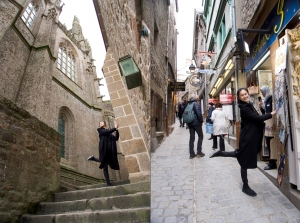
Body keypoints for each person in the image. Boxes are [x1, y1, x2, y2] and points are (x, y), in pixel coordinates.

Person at [209, 88, 276, 197]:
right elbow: (257, 118)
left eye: (245, 94)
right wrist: (271, 113)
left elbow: (256, 118)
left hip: (252, 136)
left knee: (240, 154)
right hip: (248, 138)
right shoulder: (244, 108)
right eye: (242, 95)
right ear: (239, 98)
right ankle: (245, 186)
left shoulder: (248, 105)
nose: (245, 96)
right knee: (244, 160)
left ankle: (221, 153)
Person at [87, 121, 120, 186]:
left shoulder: (109, 133)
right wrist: (114, 128)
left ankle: (93, 158)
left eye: (102, 123)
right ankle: (108, 183)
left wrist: (117, 130)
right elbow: (106, 132)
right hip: (103, 150)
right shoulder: (100, 130)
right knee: (105, 166)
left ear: (105, 124)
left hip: (110, 151)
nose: (100, 124)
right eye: (100, 123)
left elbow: (116, 138)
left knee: (105, 162)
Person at [259, 85, 276, 170]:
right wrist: (261, 108)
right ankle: (271, 161)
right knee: (268, 142)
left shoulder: (271, 99)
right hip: (267, 124)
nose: (262, 94)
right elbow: (265, 114)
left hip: (272, 124)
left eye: (262, 92)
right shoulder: (265, 101)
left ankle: (272, 162)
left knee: (271, 142)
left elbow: (272, 112)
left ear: (266, 91)